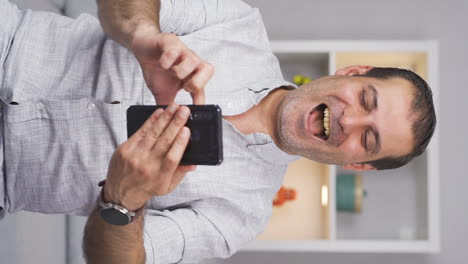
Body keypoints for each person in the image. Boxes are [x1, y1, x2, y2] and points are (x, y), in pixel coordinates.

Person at [0, 0, 436, 264]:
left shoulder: (242, 216)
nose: (349, 121)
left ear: (357, 164)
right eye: (366, 99)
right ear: (353, 72)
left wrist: (124, 197)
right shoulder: (239, 24)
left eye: (369, 138)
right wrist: (143, 34)